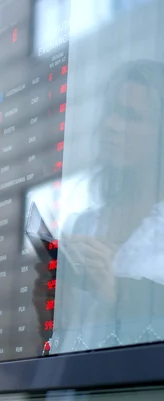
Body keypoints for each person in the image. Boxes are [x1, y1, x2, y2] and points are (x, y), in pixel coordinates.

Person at [53, 59, 164, 353]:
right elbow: (65, 331)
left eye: (131, 116)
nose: (112, 125)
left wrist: (115, 294)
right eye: (111, 111)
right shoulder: (82, 225)